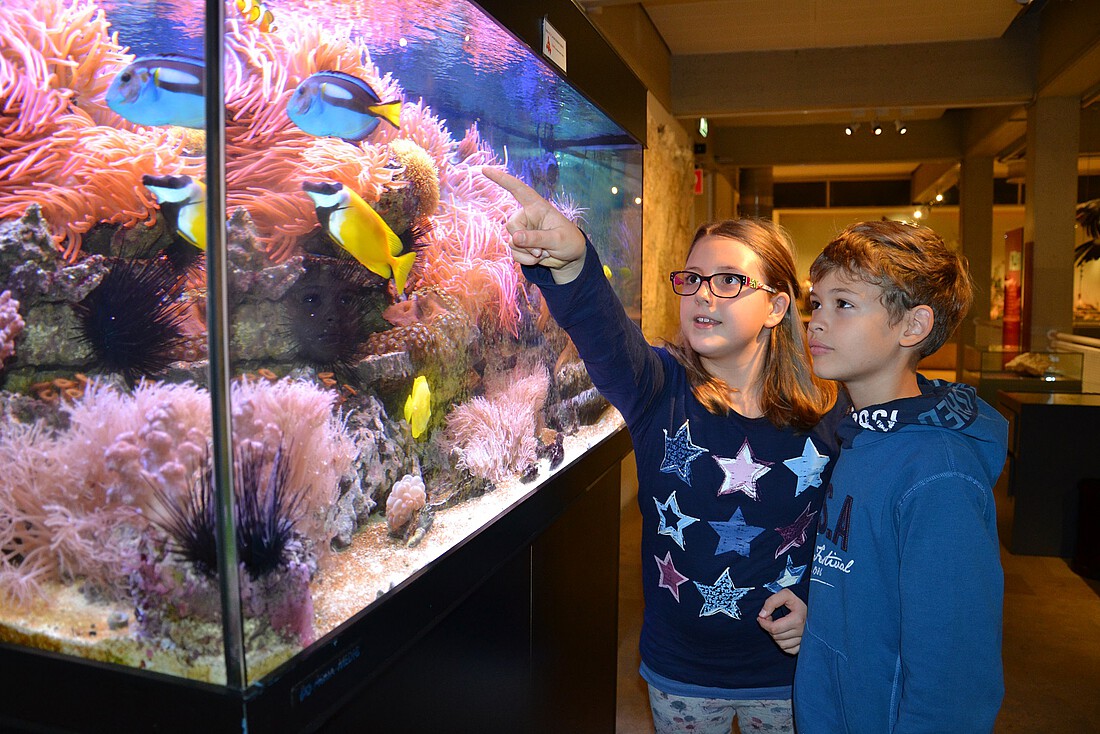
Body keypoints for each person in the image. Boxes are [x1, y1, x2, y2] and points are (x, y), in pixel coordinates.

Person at [484, 167, 844, 734]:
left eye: (729, 281)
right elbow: (606, 336)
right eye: (694, 278)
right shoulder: (659, 389)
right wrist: (575, 265)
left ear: (776, 307)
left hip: (787, 673)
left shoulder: (827, 411)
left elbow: (850, 537)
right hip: (682, 671)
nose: (704, 294)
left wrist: (825, 614)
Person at [787, 220, 1007, 733]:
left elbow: (954, 679)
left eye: (844, 304)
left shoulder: (939, 477)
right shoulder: (858, 435)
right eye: (816, 303)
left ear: (912, 326)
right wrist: (818, 620)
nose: (815, 322)